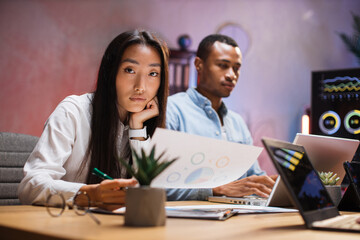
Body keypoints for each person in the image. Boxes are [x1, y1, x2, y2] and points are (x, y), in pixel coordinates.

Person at [18, 30, 169, 210]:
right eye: (130, 70)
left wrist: (137, 129)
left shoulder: (144, 124)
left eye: (153, 74)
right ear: (110, 72)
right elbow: (30, 185)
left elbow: (147, 194)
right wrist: (88, 194)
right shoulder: (73, 111)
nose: (141, 87)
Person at [166, 34, 277, 201]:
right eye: (223, 65)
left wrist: (281, 183)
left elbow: (255, 180)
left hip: (240, 218)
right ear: (199, 65)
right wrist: (216, 190)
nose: (231, 75)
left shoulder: (237, 122)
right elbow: (157, 187)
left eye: (236, 68)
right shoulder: (172, 110)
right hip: (191, 222)